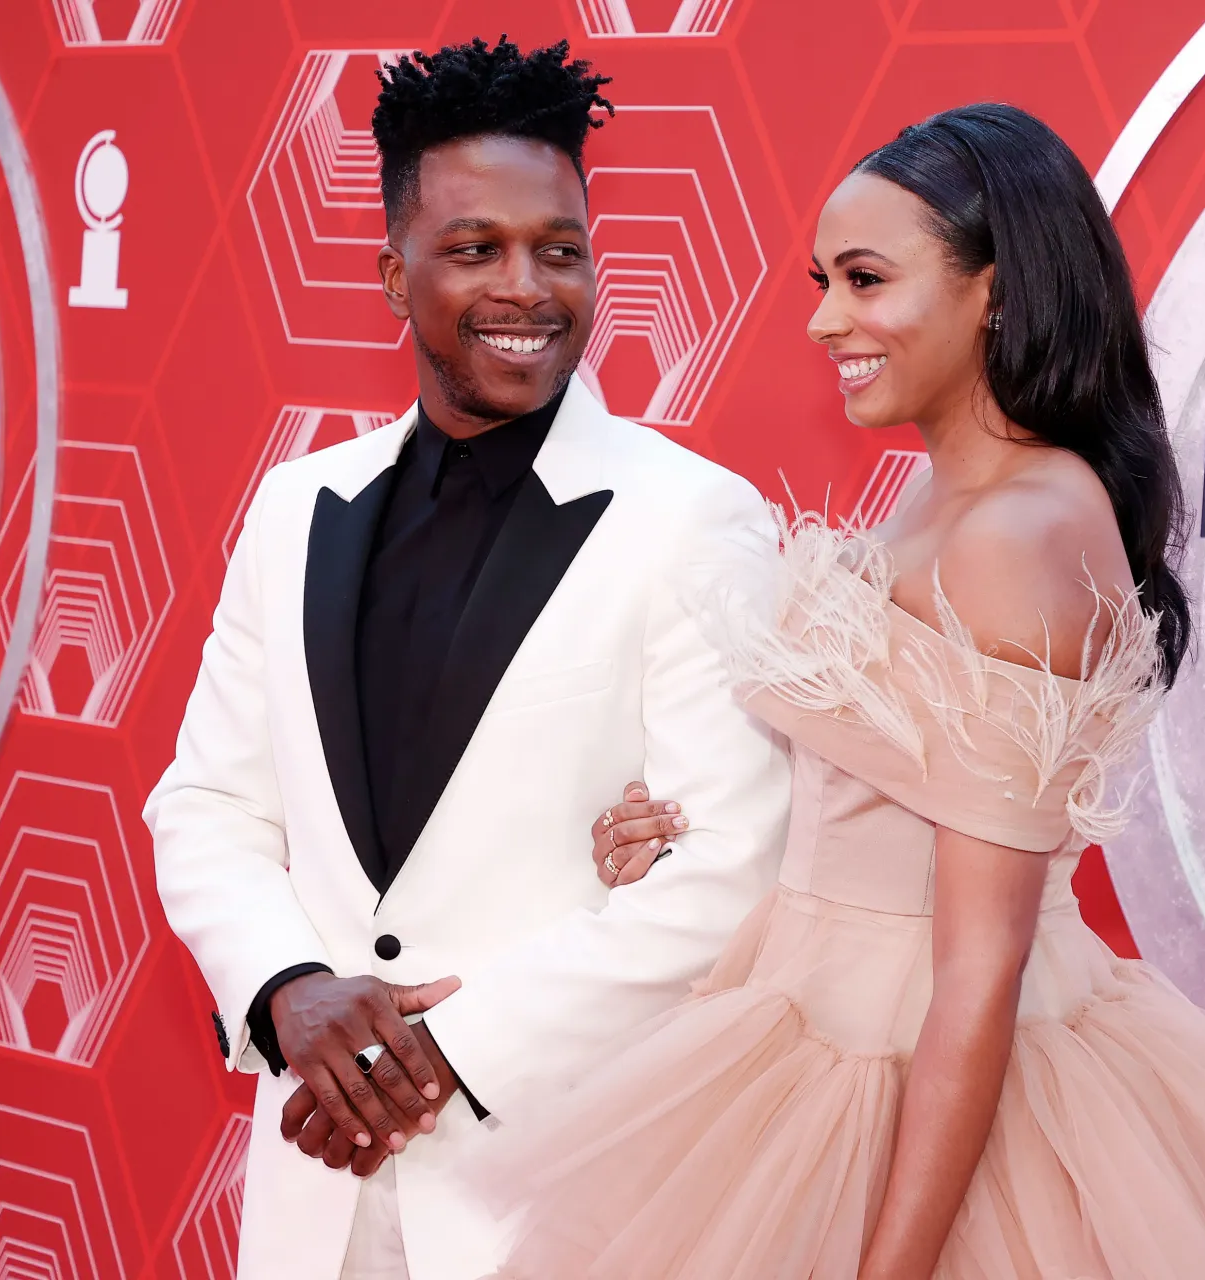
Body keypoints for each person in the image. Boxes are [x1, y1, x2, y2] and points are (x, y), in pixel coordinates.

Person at [487, 104, 1205, 1280]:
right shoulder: (952, 494)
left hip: (908, 1063)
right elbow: (886, 792)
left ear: (996, 292)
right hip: (814, 1021)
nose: (825, 319)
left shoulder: (1015, 528)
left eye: (866, 279)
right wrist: (692, 833)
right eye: (824, 280)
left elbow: (981, 970)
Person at [143, 38, 791, 1280]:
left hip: (554, 1191)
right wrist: (287, 987)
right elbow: (210, 802)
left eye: (560, 249)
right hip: (313, 1195)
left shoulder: (693, 515)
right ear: (396, 274)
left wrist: (443, 1051)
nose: (527, 289)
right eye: (476, 248)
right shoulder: (296, 508)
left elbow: (731, 870)